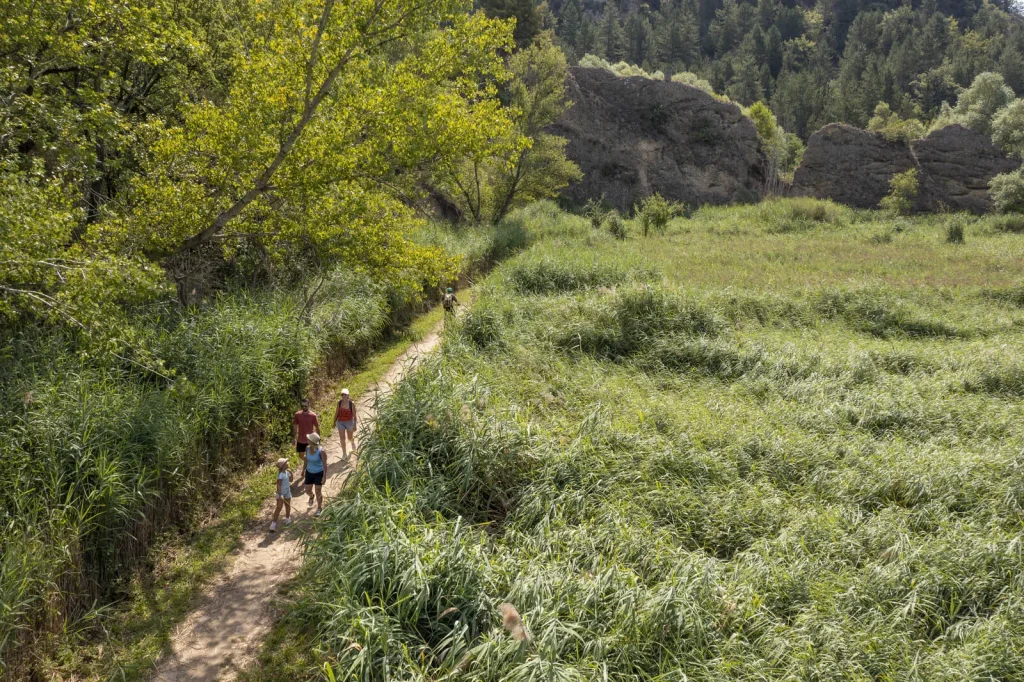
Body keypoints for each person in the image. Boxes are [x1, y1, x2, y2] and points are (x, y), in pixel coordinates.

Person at [302, 432, 328, 516]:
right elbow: (306, 460)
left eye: (308, 439)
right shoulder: (307, 449)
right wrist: (303, 470)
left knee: (318, 491)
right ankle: (311, 496)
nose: (307, 440)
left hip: (318, 473)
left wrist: (324, 476)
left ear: (312, 441)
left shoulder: (321, 451)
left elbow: (324, 464)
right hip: (309, 472)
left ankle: (319, 508)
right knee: (307, 490)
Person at [293, 398, 320, 476]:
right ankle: (309, 463)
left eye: (305, 406)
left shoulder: (313, 415)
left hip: (310, 440)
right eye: (302, 406)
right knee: (301, 455)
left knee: (308, 455)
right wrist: (294, 438)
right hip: (300, 440)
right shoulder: (297, 415)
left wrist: (318, 439)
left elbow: (317, 427)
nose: (304, 407)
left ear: (309, 405)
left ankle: (304, 470)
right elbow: (295, 426)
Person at [334, 388, 357, 462]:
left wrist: (355, 425)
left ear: (348, 395)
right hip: (340, 422)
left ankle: (352, 442)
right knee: (342, 438)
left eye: (345, 395)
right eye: (342, 394)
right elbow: (336, 413)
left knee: (349, 437)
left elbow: (355, 415)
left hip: (349, 422)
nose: (343, 396)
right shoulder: (339, 403)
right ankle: (344, 453)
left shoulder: (351, 404)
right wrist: (334, 422)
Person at [269, 458, 292, 532]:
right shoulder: (280, 475)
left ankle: (287, 519)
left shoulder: (286, 472)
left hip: (287, 492)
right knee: (279, 507)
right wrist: (280, 494)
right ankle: (273, 524)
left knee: (288, 505)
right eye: (286, 463)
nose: (288, 463)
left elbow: (291, 480)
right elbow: (278, 485)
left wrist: (291, 473)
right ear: (283, 466)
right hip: (281, 493)